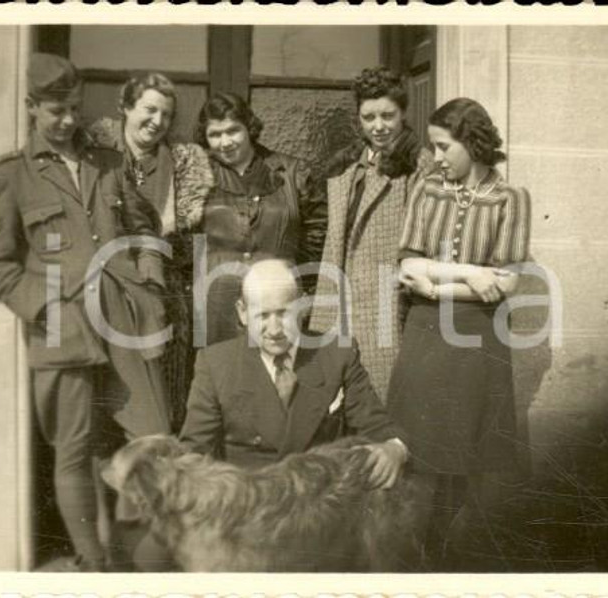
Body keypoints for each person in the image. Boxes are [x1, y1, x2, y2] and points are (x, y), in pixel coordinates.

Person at [0, 54, 170, 572]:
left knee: (155, 442)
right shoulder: (10, 177)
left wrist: (148, 281)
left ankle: (142, 560)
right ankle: (95, 564)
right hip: (63, 330)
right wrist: (47, 306)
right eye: (55, 111)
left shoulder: (107, 162)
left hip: (124, 321)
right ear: (32, 108)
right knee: (76, 452)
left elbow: (144, 226)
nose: (67, 121)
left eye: (74, 110)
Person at [386, 97, 532, 570]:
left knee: (463, 451)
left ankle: (441, 555)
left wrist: (438, 280)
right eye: (433, 147)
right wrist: (472, 273)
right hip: (427, 332)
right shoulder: (427, 189)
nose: (437, 157)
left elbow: (506, 282)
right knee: (416, 446)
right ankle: (407, 555)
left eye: (444, 146)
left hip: (477, 338)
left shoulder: (511, 198)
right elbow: (407, 266)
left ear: (472, 142)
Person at [179, 259, 407, 483]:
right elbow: (194, 454)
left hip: (319, 500)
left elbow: (377, 427)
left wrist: (393, 448)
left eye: (283, 313)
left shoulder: (337, 354)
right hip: (252, 505)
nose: (275, 329)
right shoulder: (216, 363)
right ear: (242, 312)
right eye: (263, 316)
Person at [86, 72, 213, 432]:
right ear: (126, 107)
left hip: (161, 301)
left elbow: (192, 245)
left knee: (160, 411)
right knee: (104, 411)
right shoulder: (97, 160)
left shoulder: (181, 165)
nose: (157, 122)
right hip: (104, 296)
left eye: (167, 115)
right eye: (149, 110)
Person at [308, 66, 434, 400]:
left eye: (388, 116)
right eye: (368, 117)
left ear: (403, 113)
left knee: (383, 406)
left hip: (388, 308)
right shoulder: (346, 168)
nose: (378, 126)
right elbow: (333, 247)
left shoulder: (419, 167)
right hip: (339, 306)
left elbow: (423, 245)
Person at [195, 93, 327, 347]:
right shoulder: (197, 177)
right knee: (224, 377)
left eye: (233, 131)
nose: (225, 142)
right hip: (217, 308)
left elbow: (317, 239)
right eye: (215, 134)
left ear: (249, 128)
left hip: (279, 302)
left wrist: (304, 289)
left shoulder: (293, 173)